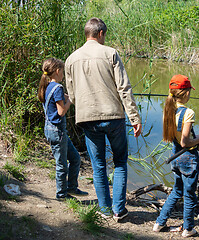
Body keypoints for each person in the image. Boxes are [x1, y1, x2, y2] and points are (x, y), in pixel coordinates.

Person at [65, 17, 142, 221]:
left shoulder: (71, 59)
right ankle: (119, 210)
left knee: (98, 165)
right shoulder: (110, 53)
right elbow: (124, 89)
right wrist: (134, 118)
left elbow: (71, 95)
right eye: (104, 35)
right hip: (113, 117)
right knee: (120, 162)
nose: (104, 38)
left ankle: (105, 210)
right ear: (100, 34)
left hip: (87, 119)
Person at [153, 74, 199, 238]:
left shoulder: (169, 109)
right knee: (190, 195)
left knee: (177, 191)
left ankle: (159, 223)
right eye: (189, 91)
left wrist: (198, 136)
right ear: (185, 93)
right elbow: (185, 142)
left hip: (175, 156)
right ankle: (188, 229)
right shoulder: (188, 112)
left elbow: (178, 138)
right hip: (188, 158)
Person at [38, 58, 88, 201]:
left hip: (51, 130)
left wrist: (71, 96)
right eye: (63, 72)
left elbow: (60, 98)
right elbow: (61, 112)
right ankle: (62, 195)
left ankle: (71, 187)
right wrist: (70, 102)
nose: (64, 75)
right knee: (62, 165)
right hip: (57, 131)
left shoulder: (48, 86)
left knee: (75, 159)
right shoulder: (58, 88)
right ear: (58, 71)